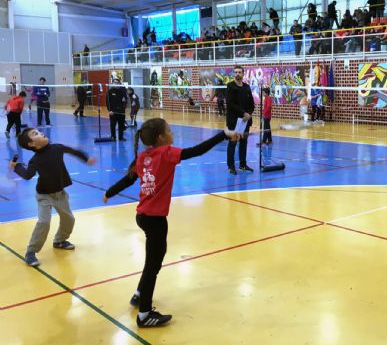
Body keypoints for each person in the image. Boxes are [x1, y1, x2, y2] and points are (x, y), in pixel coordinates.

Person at [103, 118, 241, 327]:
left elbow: (127, 180)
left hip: (143, 216)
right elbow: (197, 151)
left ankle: (141, 293)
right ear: (161, 137)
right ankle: (144, 314)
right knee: (153, 264)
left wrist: (109, 193)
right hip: (155, 220)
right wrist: (223, 135)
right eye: (169, 130)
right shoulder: (167, 153)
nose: (172, 133)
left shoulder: (142, 157)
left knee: (154, 261)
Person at [10, 128, 96, 266]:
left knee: (69, 219)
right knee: (44, 222)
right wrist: (16, 167)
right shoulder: (35, 160)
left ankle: (59, 240)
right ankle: (31, 252)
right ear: (31, 144)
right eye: (35, 134)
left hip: (60, 194)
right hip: (44, 196)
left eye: (38, 131)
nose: (40, 132)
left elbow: (73, 151)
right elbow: (27, 175)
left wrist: (86, 159)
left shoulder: (57, 148)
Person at [226, 65, 254, 175]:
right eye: (235, 72)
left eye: (239, 72)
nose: (237, 74)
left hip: (245, 121)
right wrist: (243, 113)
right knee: (232, 143)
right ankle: (231, 166)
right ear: (234, 74)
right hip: (234, 121)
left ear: (243, 74)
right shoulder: (230, 86)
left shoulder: (247, 87)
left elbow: (252, 104)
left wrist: (249, 114)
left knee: (243, 143)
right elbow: (230, 104)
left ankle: (243, 164)